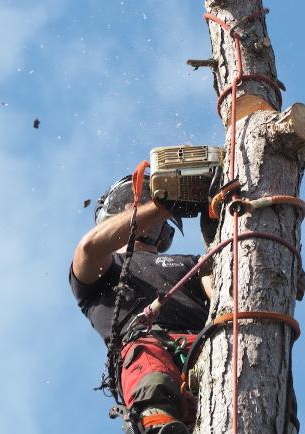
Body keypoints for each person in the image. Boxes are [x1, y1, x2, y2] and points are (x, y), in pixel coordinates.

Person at [69, 175, 213, 434]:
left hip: (208, 346)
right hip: (149, 349)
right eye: (133, 202)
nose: (141, 206)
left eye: (149, 201)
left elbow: (228, 295)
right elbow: (89, 247)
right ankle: (158, 423)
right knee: (150, 368)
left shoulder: (193, 263)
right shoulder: (103, 268)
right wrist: (164, 206)